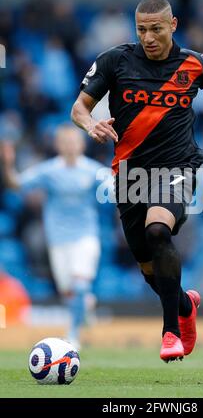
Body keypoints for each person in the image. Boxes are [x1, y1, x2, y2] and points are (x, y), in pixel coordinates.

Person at [71, 0, 203, 362]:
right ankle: (185, 305)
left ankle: (170, 333)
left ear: (173, 25)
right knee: (150, 270)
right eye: (141, 30)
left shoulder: (196, 65)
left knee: (157, 231)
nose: (148, 37)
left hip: (177, 169)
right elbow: (79, 107)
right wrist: (91, 124)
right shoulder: (115, 61)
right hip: (129, 175)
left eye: (156, 29)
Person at [1, 126, 109, 349]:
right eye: (65, 142)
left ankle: (74, 333)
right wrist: (8, 164)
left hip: (85, 236)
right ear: (58, 145)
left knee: (79, 286)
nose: (70, 146)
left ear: (81, 145)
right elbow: (16, 184)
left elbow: (117, 189)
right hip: (58, 240)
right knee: (70, 292)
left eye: (74, 142)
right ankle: (84, 307)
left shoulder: (93, 171)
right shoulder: (49, 171)